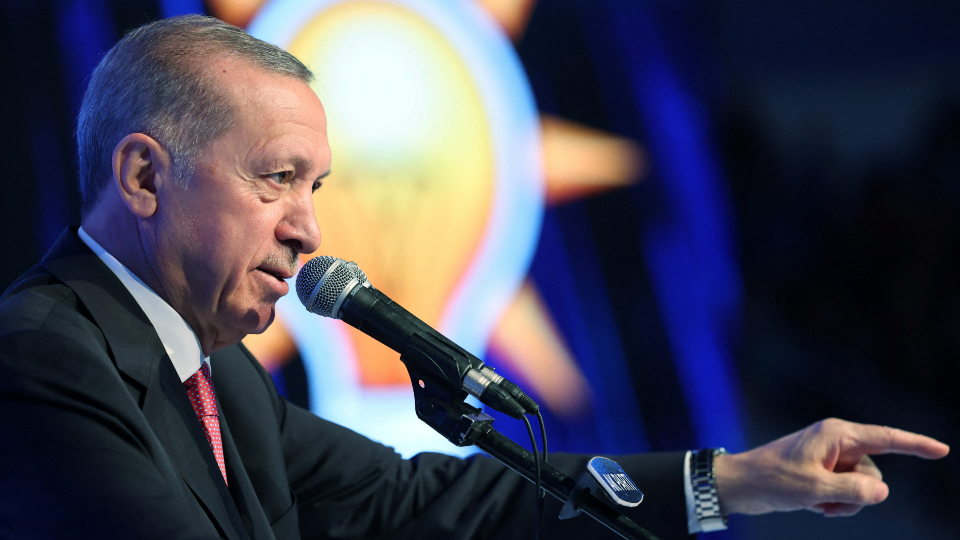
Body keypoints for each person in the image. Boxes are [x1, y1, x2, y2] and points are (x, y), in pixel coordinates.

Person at [0, 15, 947, 540]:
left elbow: (433, 500)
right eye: (276, 178)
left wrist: (733, 480)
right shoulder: (40, 358)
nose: (310, 230)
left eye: (317, 186)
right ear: (143, 177)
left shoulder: (221, 380)